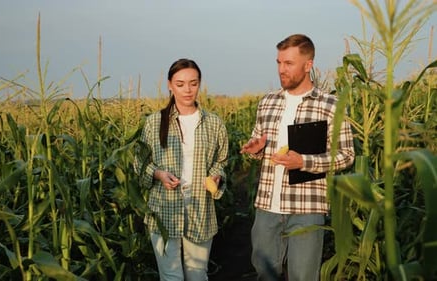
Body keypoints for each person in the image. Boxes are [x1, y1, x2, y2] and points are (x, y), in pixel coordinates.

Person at [240, 34, 355, 281]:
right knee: (263, 272)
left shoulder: (331, 105)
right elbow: (258, 146)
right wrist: (256, 149)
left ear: (308, 65)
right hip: (267, 206)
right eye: (279, 62)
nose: (282, 69)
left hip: (306, 208)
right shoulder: (267, 102)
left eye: (289, 63)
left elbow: (346, 155)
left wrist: (303, 162)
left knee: (303, 276)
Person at [135, 58, 229, 281]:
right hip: (164, 208)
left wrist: (216, 176)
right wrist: (158, 174)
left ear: (199, 84)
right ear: (169, 85)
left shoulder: (214, 123)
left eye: (193, 83)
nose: (187, 90)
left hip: (200, 207)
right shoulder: (154, 122)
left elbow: (221, 161)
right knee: (171, 276)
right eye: (180, 84)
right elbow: (139, 163)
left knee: (197, 274)